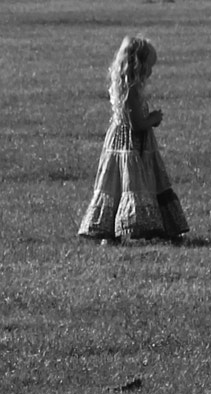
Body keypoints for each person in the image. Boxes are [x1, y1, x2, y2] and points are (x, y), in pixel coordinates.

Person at [78, 34, 190, 243]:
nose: (151, 72)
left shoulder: (126, 87)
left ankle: (120, 231)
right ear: (138, 65)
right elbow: (136, 124)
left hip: (125, 145)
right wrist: (153, 119)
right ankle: (133, 228)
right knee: (134, 184)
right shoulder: (131, 92)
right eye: (149, 67)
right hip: (131, 146)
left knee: (119, 186)